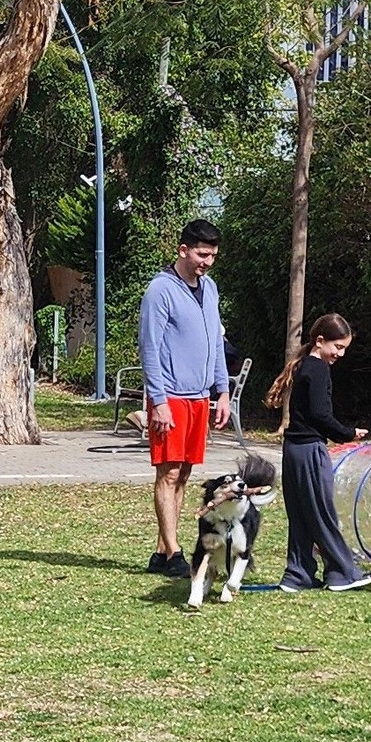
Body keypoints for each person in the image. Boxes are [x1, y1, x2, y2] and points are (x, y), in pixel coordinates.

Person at [136, 219, 231, 576]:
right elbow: (150, 348)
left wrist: (222, 392)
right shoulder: (160, 290)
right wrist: (158, 401)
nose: (208, 262)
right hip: (171, 397)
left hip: (199, 397)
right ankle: (174, 552)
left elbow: (216, 343)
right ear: (183, 250)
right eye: (202, 254)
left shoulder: (210, 288)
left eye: (213, 256)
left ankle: (162, 551)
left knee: (185, 473)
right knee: (169, 472)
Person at [259, 314, 371, 593]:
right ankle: (342, 573)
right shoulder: (318, 369)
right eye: (338, 347)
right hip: (310, 450)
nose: (340, 354)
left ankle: (298, 575)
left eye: (344, 348)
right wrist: (347, 433)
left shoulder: (304, 366)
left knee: (301, 515)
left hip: (293, 451)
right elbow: (320, 415)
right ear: (320, 341)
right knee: (322, 513)